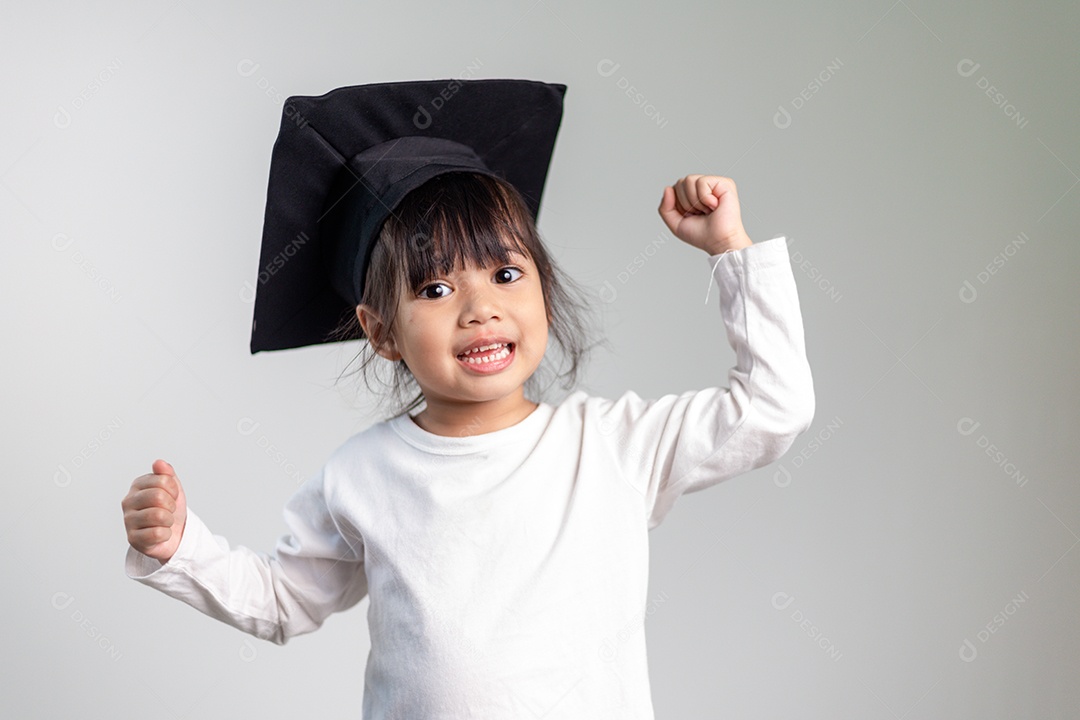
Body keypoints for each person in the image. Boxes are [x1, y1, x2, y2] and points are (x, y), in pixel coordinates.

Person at [120, 79, 815, 719]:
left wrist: (732, 252)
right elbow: (281, 602)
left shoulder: (609, 446)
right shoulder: (362, 474)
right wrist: (182, 549)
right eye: (434, 288)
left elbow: (771, 409)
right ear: (381, 331)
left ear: (542, 287)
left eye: (507, 272)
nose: (480, 308)